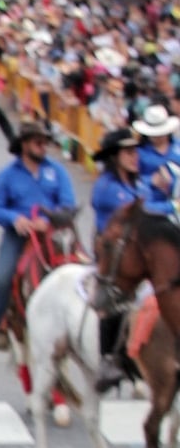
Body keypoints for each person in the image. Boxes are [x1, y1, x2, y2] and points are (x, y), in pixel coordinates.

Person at [0, 118, 75, 352]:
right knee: (3, 276)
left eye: (45, 142)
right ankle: (0, 325)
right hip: (19, 234)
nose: (43, 147)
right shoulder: (5, 175)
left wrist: (47, 220)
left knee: (81, 269)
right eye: (38, 142)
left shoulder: (57, 171)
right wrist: (15, 219)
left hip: (52, 234)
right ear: (24, 144)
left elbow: (68, 203)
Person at [90, 129, 146, 390]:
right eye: (128, 152)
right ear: (114, 157)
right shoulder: (108, 188)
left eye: (135, 151)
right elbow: (141, 212)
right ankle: (109, 358)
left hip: (139, 252)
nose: (135, 157)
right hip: (113, 256)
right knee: (113, 297)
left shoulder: (137, 184)